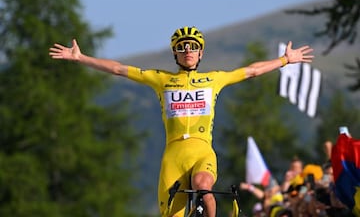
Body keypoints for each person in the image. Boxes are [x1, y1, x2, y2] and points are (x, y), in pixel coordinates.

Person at [49, 26, 314, 217]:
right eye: (182, 48)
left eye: (194, 47)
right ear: (175, 54)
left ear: (201, 54)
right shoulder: (161, 79)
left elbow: (253, 71)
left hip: (201, 150)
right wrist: (81, 58)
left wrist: (285, 60)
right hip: (173, 156)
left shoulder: (214, 79)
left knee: (203, 186)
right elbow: (118, 69)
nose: (188, 51)